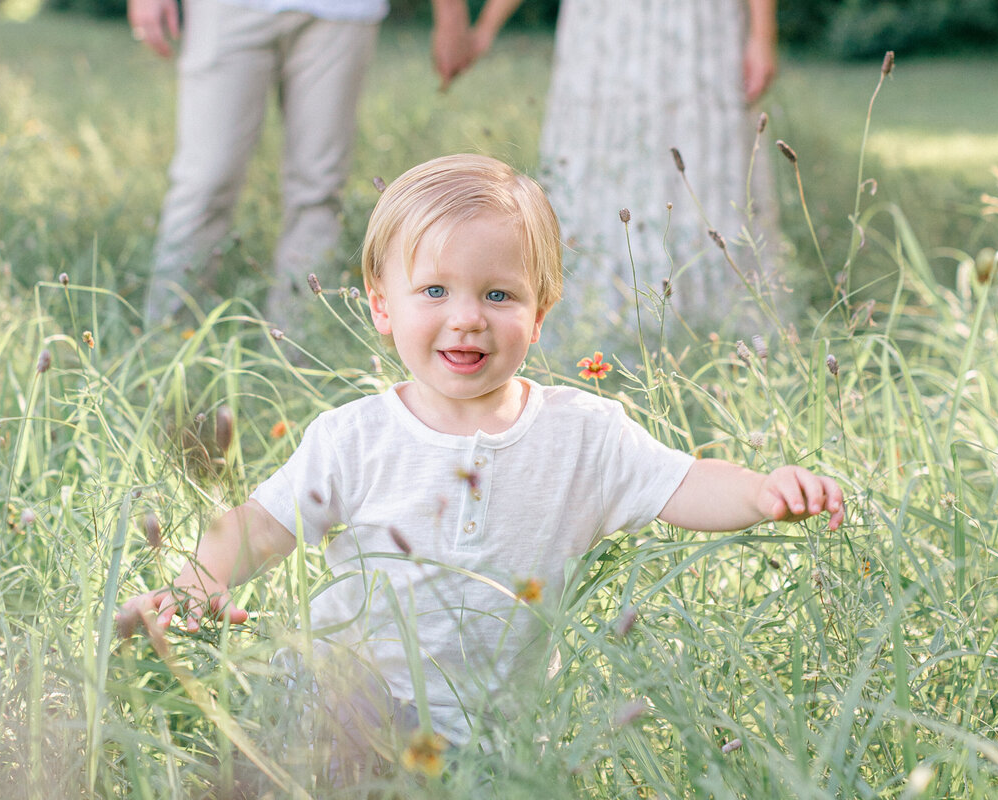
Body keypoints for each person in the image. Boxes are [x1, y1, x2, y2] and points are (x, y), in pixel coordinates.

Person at [119, 154, 844, 766]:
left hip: (494, 736)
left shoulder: (584, 434)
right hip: (345, 700)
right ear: (382, 307)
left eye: (499, 294)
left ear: (542, 310)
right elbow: (261, 525)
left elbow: (681, 482)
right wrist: (194, 585)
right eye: (435, 290)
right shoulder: (355, 436)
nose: (467, 316)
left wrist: (763, 493)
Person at [459, 0, 781, 358]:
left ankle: (715, 331)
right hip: (602, 30)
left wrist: (762, 35)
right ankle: (589, 322)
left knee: (700, 156)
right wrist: (485, 27)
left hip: (698, 25)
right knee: (595, 155)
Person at [129, 0, 481, 325]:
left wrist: (451, 16)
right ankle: (165, 342)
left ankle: (294, 354)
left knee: (319, 188)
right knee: (204, 181)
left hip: (342, 14)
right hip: (228, 9)